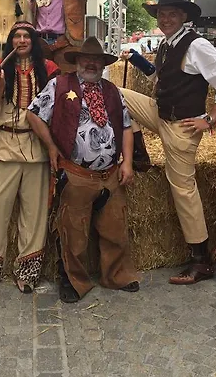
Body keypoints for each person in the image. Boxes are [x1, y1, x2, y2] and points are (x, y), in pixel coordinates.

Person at [120, 0, 216, 285]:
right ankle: (139, 153)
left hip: (181, 126)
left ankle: (201, 260)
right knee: (117, 94)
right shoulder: (167, 44)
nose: (166, 19)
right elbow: (161, 78)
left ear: (184, 16)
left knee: (183, 189)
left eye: (172, 14)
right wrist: (137, 59)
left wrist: (209, 119)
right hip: (161, 114)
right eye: (162, 14)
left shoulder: (196, 45)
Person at [27, 37, 139, 303]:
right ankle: (72, 279)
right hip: (76, 173)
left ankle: (116, 275)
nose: (91, 63)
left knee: (115, 228)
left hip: (110, 174)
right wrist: (51, 147)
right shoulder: (59, 85)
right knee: (73, 232)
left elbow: (126, 127)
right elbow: (33, 114)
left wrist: (127, 162)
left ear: (102, 64)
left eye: (96, 60)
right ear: (77, 61)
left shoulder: (112, 90)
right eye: (86, 59)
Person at [0, 22, 59, 294]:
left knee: (34, 213)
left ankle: (27, 273)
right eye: (17, 36)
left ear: (33, 41)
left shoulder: (49, 70)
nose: (22, 40)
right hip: (4, 145)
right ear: (10, 41)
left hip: (36, 147)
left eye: (26, 36)